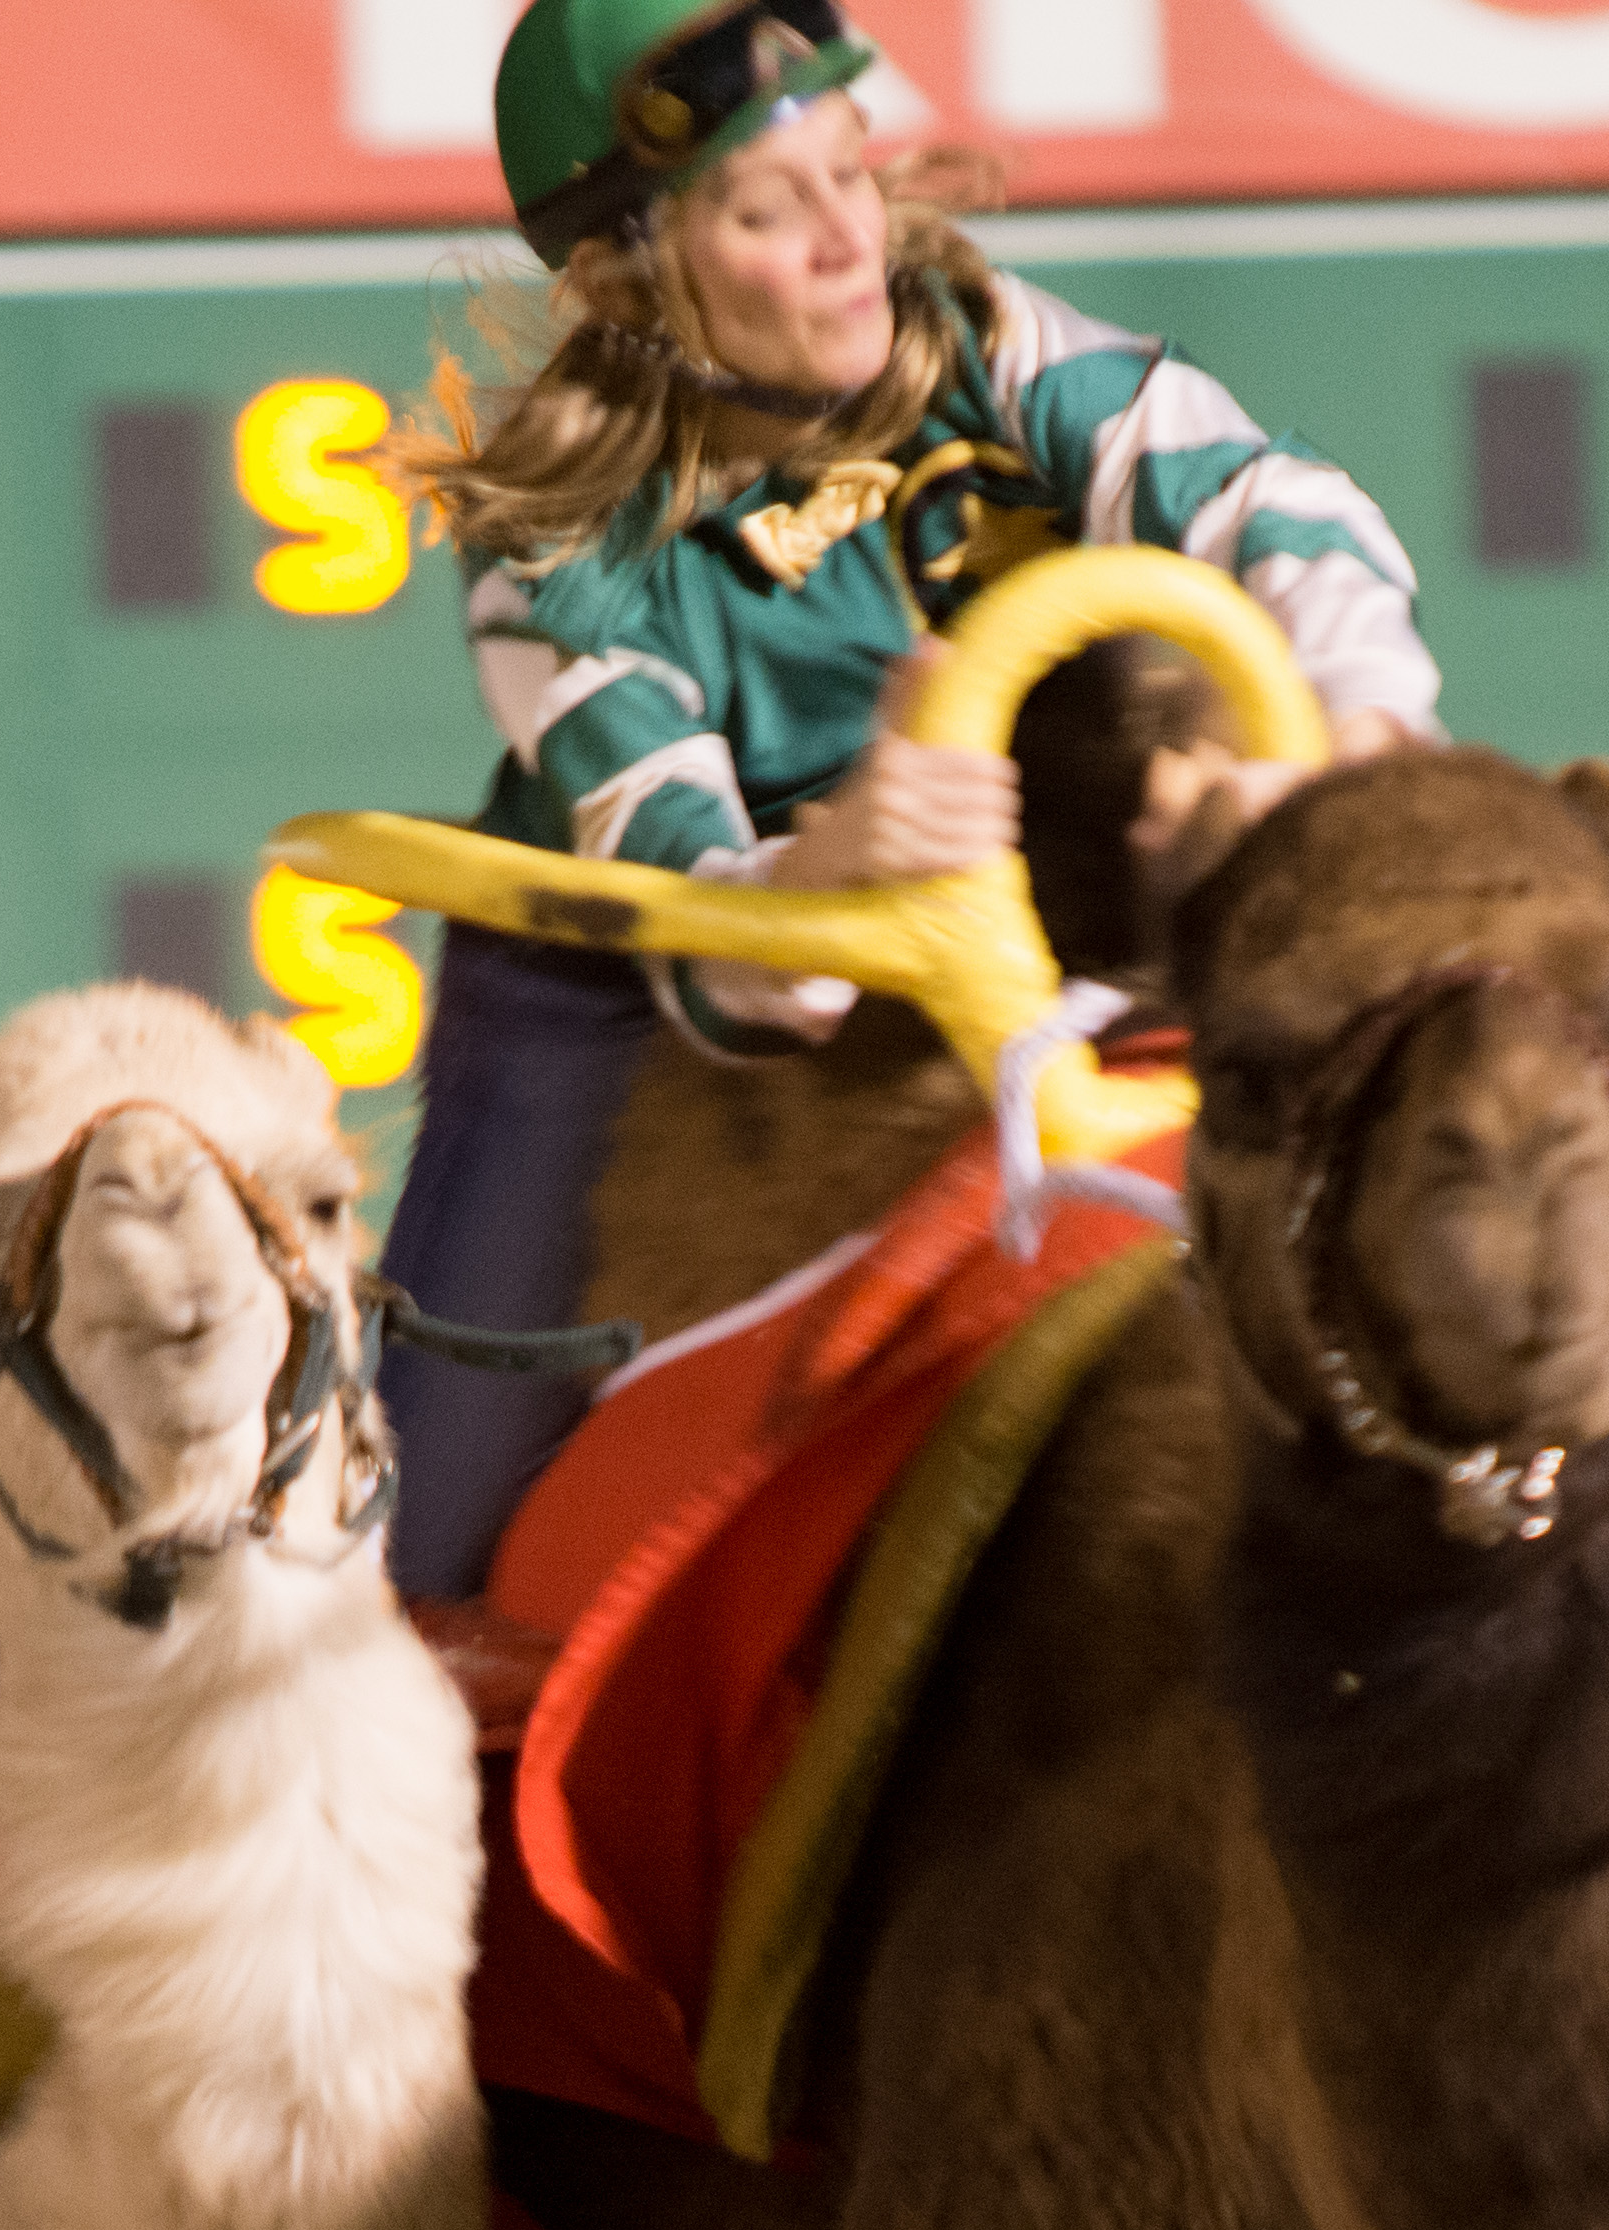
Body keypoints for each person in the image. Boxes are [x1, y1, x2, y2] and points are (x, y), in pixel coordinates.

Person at [372, 0, 1446, 1593]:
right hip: (619, 987)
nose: (845, 239)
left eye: (852, 169)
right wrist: (843, 861)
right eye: (765, 207)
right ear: (618, 281)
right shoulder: (559, 553)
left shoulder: (992, 339)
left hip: (1020, 912)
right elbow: (700, 918)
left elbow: (1277, 506)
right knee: (431, 1531)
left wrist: (1340, 750)